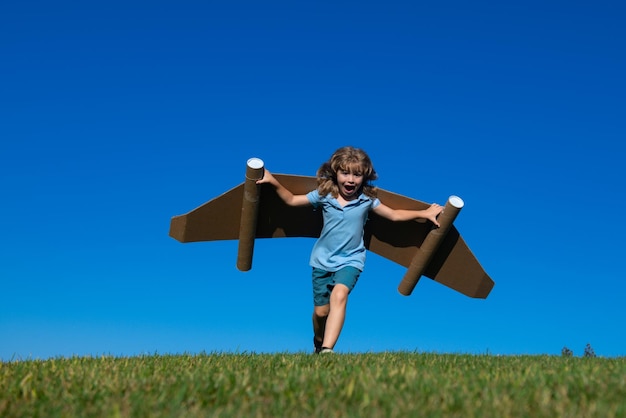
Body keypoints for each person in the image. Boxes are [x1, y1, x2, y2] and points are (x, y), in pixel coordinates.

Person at [256, 146, 443, 354]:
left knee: (340, 295)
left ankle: (327, 350)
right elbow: (291, 200)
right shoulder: (324, 195)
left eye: (357, 174)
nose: (351, 180)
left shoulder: (367, 201)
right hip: (321, 261)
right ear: (335, 173)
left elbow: (394, 215)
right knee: (320, 312)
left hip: (351, 260)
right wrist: (272, 181)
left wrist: (425, 213)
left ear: (365, 177)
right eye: (345, 173)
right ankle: (318, 341)